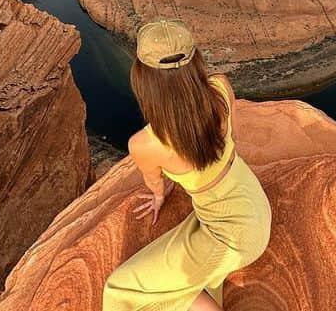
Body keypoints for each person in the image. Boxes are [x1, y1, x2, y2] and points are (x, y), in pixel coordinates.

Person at [102, 19, 272, 311]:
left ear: (143, 78)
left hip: (230, 238)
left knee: (121, 289)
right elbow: (228, 140)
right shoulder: (220, 88)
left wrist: (159, 196)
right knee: (189, 278)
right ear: (195, 62)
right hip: (254, 205)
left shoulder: (146, 144)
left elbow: (156, 184)